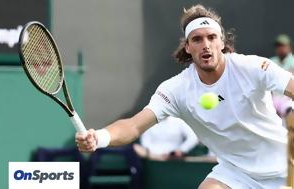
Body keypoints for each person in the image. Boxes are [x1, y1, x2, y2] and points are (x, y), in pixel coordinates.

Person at [76, 4, 294, 189]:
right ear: (188, 47)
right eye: (197, 39)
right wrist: (101, 137)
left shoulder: (252, 67)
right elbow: (133, 126)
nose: (206, 45)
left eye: (211, 38)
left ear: (222, 42)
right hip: (235, 173)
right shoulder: (176, 89)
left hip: (285, 167)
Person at [133, 116, 199, 161]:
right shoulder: (148, 121)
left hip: (174, 160)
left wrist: (181, 150)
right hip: (153, 160)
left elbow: (193, 137)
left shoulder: (178, 120)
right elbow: (145, 142)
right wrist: (157, 156)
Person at [270, 34, 294, 118]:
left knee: (290, 110)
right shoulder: (271, 62)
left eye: (283, 46)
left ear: (290, 47)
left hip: (289, 99)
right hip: (273, 100)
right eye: (278, 46)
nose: (280, 48)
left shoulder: (293, 61)